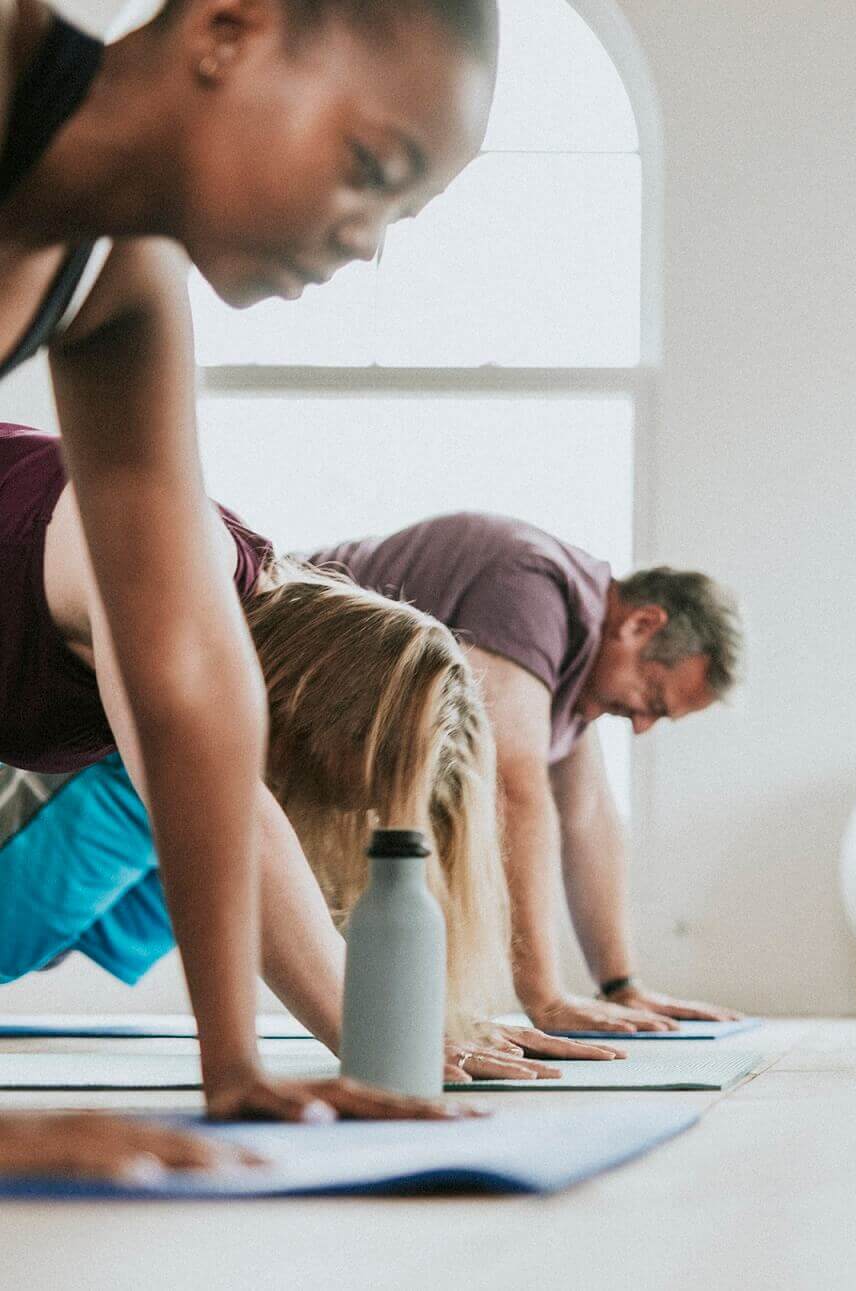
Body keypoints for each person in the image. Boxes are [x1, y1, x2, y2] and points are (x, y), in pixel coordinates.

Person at [0, 0, 498, 1167]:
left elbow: (181, 665)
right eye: (369, 169)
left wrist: (239, 1067)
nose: (363, 240)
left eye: (401, 214)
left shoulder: (119, 269)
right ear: (230, 30)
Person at [0, 422, 617, 1085]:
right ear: (327, 721)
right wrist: (376, 1035)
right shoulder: (182, 570)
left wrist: (419, 1017)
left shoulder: (218, 607)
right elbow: (234, 822)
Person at [306, 513, 746, 1034]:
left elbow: (588, 821)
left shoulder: (578, 674)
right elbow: (509, 786)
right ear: (641, 624)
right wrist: (546, 1000)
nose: (643, 725)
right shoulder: (531, 585)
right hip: (265, 672)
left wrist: (621, 986)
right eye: (652, 696)